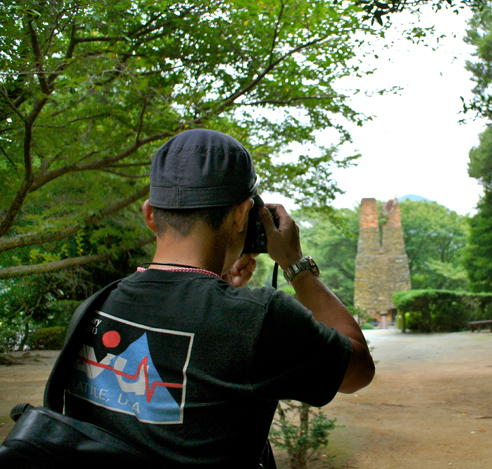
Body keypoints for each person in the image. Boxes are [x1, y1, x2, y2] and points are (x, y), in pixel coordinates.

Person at [64, 129, 375, 468]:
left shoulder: (95, 307)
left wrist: (226, 290)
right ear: (243, 214)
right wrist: (296, 266)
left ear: (150, 214)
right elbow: (358, 369)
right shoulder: (259, 318)